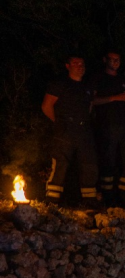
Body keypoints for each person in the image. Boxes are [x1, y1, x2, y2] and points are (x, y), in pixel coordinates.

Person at [91, 51, 125, 208]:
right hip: (107, 127)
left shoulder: (123, 80)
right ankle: (108, 198)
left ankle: (124, 197)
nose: (115, 62)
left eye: (118, 60)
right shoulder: (99, 78)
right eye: (112, 60)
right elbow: (92, 101)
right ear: (105, 60)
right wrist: (114, 98)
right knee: (108, 162)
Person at [42, 56, 98, 208]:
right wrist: (60, 123)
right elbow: (46, 106)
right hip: (65, 130)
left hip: (84, 130)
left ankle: (89, 202)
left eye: (82, 63)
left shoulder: (87, 87)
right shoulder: (60, 84)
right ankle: (52, 201)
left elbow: (90, 106)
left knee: (89, 164)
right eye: (75, 63)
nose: (80, 66)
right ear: (67, 66)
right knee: (60, 163)